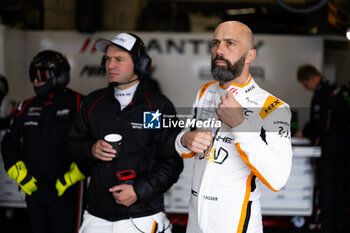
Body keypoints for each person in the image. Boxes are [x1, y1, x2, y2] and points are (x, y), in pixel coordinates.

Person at [175, 21, 293, 233]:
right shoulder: (205, 92)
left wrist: (240, 124)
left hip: (237, 224)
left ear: (250, 56)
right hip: (195, 222)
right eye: (215, 43)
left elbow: (278, 178)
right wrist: (185, 140)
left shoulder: (273, 107)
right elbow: (184, 141)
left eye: (230, 43)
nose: (219, 50)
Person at [68, 32, 183, 233]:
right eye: (108, 59)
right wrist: (90, 149)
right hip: (96, 216)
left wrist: (138, 191)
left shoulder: (159, 107)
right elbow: (72, 146)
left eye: (119, 59)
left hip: (143, 216)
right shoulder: (92, 103)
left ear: (140, 64)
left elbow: (172, 163)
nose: (110, 65)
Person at [1, 50, 85, 233]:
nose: (36, 81)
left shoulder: (79, 104)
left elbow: (92, 145)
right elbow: (9, 143)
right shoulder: (26, 107)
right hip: (34, 189)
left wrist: (71, 177)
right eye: (33, 75)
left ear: (60, 76)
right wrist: (21, 176)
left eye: (41, 75)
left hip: (67, 191)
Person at [297, 64, 349, 232]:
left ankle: (326, 224)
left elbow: (323, 126)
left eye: (306, 85)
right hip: (340, 149)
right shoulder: (330, 91)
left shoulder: (326, 93)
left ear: (312, 78)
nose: (306, 88)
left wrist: (304, 131)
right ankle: (338, 224)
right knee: (338, 188)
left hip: (331, 150)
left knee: (327, 187)